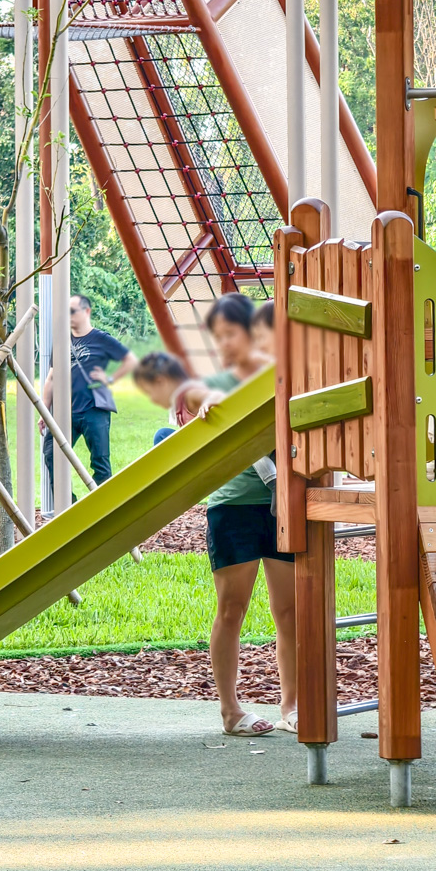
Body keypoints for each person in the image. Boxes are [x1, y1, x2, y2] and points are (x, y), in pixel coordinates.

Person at [201, 293, 295, 736]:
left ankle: (292, 706)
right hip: (233, 505)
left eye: (230, 335)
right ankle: (231, 711)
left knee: (290, 610)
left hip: (283, 507)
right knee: (231, 609)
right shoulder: (216, 385)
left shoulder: (282, 376)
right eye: (217, 338)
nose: (224, 346)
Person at [41, 295, 138, 494]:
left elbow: (130, 360)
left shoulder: (101, 338)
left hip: (94, 410)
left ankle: (102, 508)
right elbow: (51, 378)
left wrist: (110, 379)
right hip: (63, 412)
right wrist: (44, 411)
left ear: (86, 312)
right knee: (51, 455)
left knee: (100, 461)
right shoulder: (61, 342)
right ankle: (68, 506)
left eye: (72, 311)